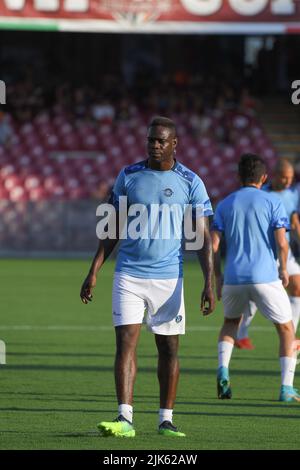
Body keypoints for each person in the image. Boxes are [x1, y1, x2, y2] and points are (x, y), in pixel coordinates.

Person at [80, 116, 215, 437]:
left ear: (174, 144)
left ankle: (165, 419)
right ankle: (124, 418)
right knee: (125, 343)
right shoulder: (128, 176)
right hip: (129, 275)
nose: (154, 145)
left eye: (161, 141)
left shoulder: (191, 182)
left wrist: (210, 281)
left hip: (169, 280)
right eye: (151, 140)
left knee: (169, 349)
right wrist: (94, 270)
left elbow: (203, 238)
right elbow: (111, 227)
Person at [211, 153, 299, 402]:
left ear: (238, 177)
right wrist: (283, 269)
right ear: (264, 177)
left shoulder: (225, 204)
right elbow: (282, 243)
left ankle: (223, 370)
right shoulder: (272, 201)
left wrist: (217, 277)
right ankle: (286, 388)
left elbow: (213, 246)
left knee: (230, 323)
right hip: (265, 277)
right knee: (286, 328)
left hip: (234, 277)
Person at [236, 158, 300, 349]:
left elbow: (294, 221)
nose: (288, 181)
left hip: (284, 253)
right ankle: (240, 334)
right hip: (263, 255)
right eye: (284, 177)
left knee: (297, 289)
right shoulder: (260, 194)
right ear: (273, 175)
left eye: (290, 178)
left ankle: (292, 338)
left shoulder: (291, 195)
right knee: (254, 298)